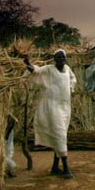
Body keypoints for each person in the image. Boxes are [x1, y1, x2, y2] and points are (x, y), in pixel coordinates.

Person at [23, 49, 77, 179]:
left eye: (63, 57)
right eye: (59, 58)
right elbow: (35, 71)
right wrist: (26, 62)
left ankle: (54, 167)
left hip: (65, 107)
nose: (61, 60)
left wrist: (70, 87)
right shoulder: (49, 69)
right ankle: (66, 168)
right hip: (52, 107)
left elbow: (73, 78)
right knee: (59, 134)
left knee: (61, 134)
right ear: (55, 59)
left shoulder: (67, 69)